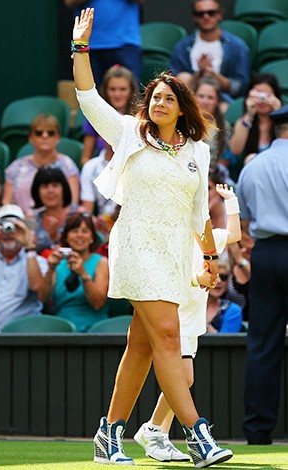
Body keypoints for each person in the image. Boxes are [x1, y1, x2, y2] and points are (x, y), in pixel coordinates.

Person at [72, 9, 232, 466]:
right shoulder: (128, 133)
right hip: (136, 244)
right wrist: (80, 48)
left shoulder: (198, 151)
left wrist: (209, 257)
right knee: (167, 335)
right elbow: (87, 96)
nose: (158, 102)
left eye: (167, 98)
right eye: (154, 97)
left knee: (141, 346)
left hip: (177, 252)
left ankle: (108, 434)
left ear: (182, 107)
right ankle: (198, 436)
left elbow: (199, 211)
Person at [134, 183, 241, 462]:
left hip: (192, 323)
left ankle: (156, 432)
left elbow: (236, 233)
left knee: (185, 379)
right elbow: (165, 279)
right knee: (186, 378)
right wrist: (198, 278)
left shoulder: (210, 239)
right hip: (174, 319)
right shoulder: (170, 240)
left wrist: (231, 200)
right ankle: (155, 430)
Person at [237, 105, 288, 445]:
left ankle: (257, 430)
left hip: (266, 254)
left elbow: (244, 218)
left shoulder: (253, 167)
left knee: (262, 343)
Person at [0, 204, 48, 333]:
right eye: (4, 226)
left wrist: (29, 245)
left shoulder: (37, 261)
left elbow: (37, 287)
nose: (9, 232)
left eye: (16, 227)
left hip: (17, 339)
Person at [37, 213, 109, 331]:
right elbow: (43, 298)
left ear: (92, 238)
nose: (79, 236)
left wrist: (83, 274)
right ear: (66, 237)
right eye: (74, 231)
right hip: (62, 330)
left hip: (94, 330)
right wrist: (50, 269)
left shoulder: (102, 262)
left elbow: (98, 304)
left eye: (85, 231)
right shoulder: (58, 263)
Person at [169, 0, 250, 101]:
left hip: (222, 100)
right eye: (200, 14)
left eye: (211, 13)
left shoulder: (237, 46)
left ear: (219, 15)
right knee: (183, 77)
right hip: (190, 99)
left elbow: (240, 87)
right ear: (194, 17)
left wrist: (213, 74)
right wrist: (199, 73)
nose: (206, 17)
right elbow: (173, 84)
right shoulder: (182, 46)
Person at [3, 114, 80, 215]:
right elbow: (6, 203)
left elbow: (72, 203)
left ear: (57, 137)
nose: (45, 136)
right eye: (39, 133)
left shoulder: (67, 165)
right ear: (31, 137)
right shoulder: (16, 167)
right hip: (21, 223)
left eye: (50, 133)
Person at [63, 0, 142, 86]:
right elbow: (69, 2)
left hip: (125, 43)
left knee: (132, 94)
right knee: (87, 92)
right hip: (87, 44)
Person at [80, 64, 139, 167]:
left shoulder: (140, 116)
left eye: (122, 89)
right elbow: (85, 159)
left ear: (131, 91)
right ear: (105, 91)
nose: (117, 94)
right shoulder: (96, 115)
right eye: (112, 89)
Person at [229, 73, 283, 166]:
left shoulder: (283, 123)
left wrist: (280, 115)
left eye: (267, 96)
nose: (262, 100)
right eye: (257, 95)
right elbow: (235, 150)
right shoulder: (244, 122)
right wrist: (249, 114)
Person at [30, 167, 79, 254]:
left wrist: (56, 236)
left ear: (64, 188)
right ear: (37, 192)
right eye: (45, 187)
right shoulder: (34, 219)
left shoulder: (78, 214)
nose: (50, 191)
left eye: (55, 185)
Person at [193, 76, 231, 168]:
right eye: (201, 96)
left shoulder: (225, 127)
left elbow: (226, 158)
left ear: (217, 101)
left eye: (210, 97)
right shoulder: (184, 123)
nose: (204, 101)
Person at [205, 255, 243, 333]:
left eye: (223, 277)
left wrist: (205, 326)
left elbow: (224, 343)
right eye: (214, 276)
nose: (219, 281)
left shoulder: (233, 311)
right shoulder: (187, 305)